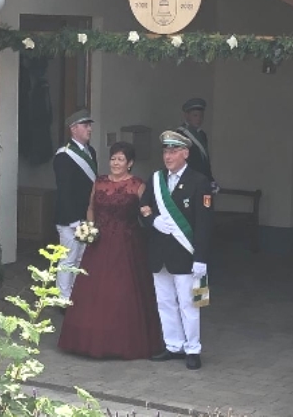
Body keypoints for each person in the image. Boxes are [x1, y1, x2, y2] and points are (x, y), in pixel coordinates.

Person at [58, 141, 163, 359]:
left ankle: (122, 341)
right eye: (113, 159)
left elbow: (147, 211)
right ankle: (87, 339)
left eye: (121, 159)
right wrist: (89, 228)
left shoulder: (137, 185)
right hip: (99, 242)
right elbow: (91, 207)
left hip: (127, 243)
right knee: (92, 291)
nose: (115, 163)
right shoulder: (99, 182)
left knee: (121, 290)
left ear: (130, 163)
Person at [140, 131, 213, 370]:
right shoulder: (156, 178)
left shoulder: (199, 181)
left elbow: (204, 223)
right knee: (165, 302)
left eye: (173, 151)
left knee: (189, 304)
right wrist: (153, 221)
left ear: (185, 153)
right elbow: (143, 205)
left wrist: (201, 258)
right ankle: (173, 345)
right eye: (165, 151)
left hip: (186, 254)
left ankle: (192, 349)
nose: (168, 156)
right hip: (159, 253)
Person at [53, 109, 98, 301]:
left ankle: (76, 296)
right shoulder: (64, 155)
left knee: (82, 258)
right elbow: (64, 190)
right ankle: (63, 300)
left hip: (86, 216)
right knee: (68, 259)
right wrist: (73, 220)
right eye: (85, 125)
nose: (89, 129)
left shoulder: (91, 152)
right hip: (70, 219)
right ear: (73, 129)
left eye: (89, 125)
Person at [177, 98, 219, 193]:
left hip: (202, 181)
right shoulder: (180, 134)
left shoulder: (202, 135)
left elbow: (204, 160)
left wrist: (210, 179)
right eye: (195, 115)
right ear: (186, 116)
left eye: (201, 116)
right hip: (189, 181)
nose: (199, 119)